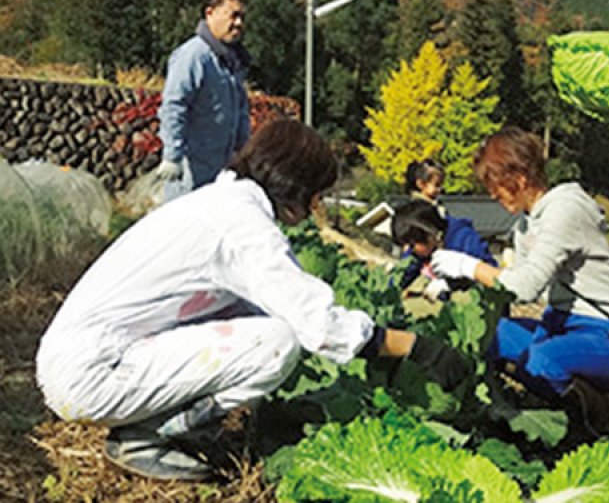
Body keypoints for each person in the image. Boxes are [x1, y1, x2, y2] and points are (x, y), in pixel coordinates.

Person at [36, 119, 471, 482]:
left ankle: (157, 424)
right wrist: (416, 347)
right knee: (277, 341)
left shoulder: (222, 202)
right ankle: (146, 435)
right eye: (315, 191)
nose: (317, 203)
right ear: (292, 181)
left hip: (88, 356)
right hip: (91, 374)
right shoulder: (241, 225)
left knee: (258, 315)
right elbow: (316, 325)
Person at [429, 128, 609, 427]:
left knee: (542, 362)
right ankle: (504, 404)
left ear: (519, 178)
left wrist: (468, 266)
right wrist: (455, 286)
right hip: (561, 323)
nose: (492, 194)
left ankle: (592, 415)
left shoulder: (564, 210)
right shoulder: (526, 225)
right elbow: (513, 282)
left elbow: (525, 288)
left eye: (495, 185)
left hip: (607, 331)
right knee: (489, 334)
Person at [156, 0, 252, 201]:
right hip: (190, 173)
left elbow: (241, 111)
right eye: (233, 15)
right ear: (210, 13)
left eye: (242, 17)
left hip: (221, 173)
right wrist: (172, 155)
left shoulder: (232, 62)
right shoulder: (194, 56)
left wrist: (243, 152)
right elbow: (174, 105)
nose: (238, 23)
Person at [392, 199, 497, 300]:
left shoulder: (464, 238)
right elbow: (402, 274)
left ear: (429, 233)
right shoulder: (422, 249)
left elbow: (491, 275)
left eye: (411, 245)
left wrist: (449, 284)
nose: (408, 250)